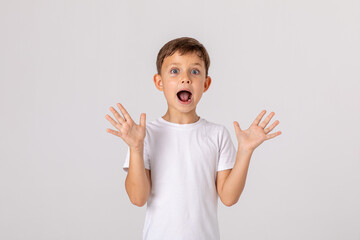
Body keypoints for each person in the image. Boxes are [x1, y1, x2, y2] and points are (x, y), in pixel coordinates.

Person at [105, 37, 282, 240]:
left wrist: (245, 151)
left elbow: (229, 197)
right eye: (174, 71)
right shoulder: (145, 135)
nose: (185, 78)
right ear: (159, 82)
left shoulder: (217, 134)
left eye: (195, 71)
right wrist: (136, 147)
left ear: (206, 84)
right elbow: (137, 198)